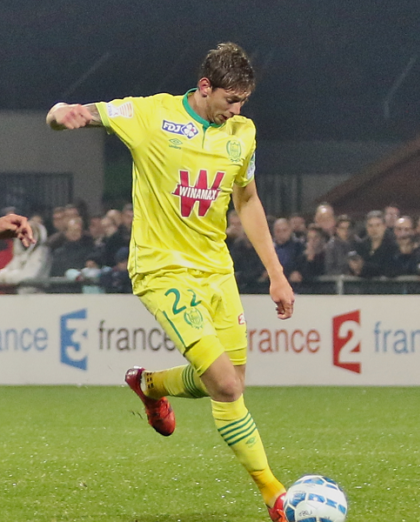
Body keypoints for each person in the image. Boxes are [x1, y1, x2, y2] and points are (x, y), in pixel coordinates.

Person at [47, 41, 294, 522]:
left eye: (243, 101)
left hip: (217, 270)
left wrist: (276, 274)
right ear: (205, 87)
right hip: (162, 269)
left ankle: (151, 384)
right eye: (231, 100)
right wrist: (61, 114)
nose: (237, 110)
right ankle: (273, 495)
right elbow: (76, 115)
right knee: (225, 385)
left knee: (231, 383)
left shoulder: (242, 133)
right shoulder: (152, 116)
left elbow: (248, 201)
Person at [0, 218, 51, 293]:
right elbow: (7, 270)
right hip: (17, 297)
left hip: (37, 297)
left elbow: (27, 276)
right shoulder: (19, 254)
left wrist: (6, 277)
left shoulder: (42, 253)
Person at [349, 210, 398, 278]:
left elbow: (389, 269)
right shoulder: (361, 245)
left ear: (384, 226)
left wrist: (363, 266)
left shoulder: (392, 246)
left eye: (377, 225)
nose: (374, 229)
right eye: (370, 226)